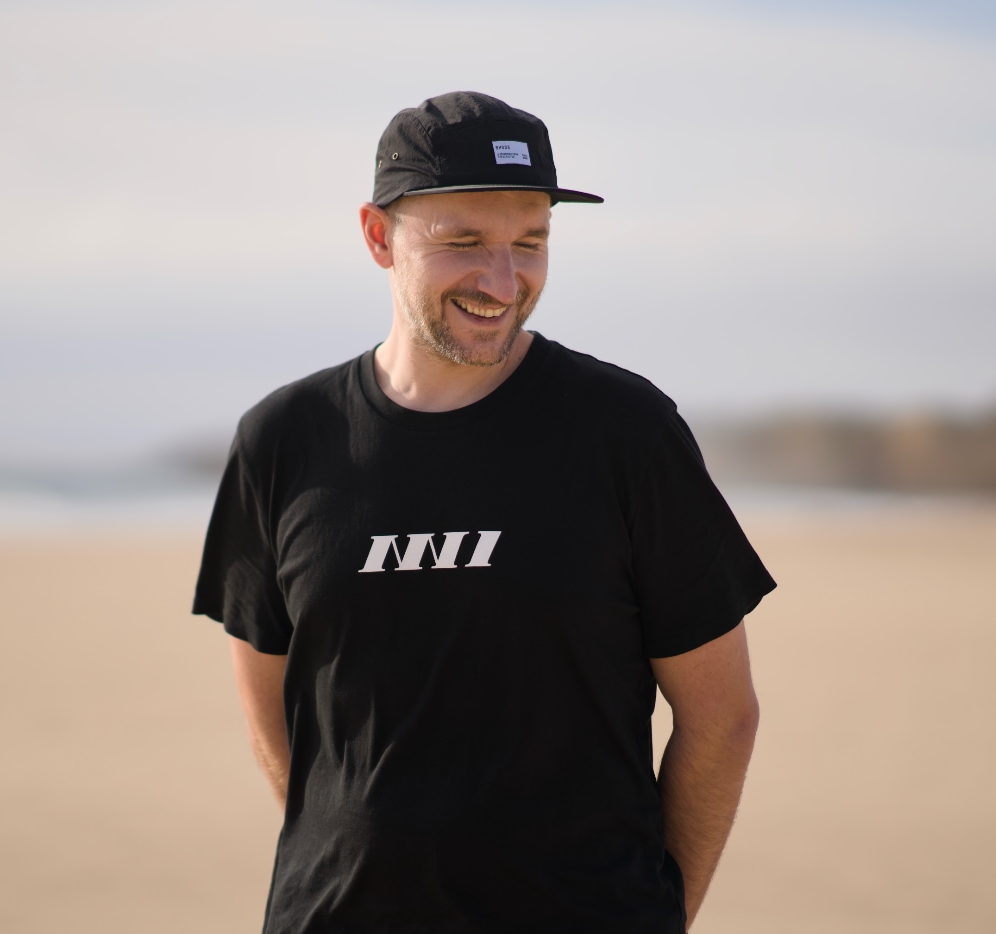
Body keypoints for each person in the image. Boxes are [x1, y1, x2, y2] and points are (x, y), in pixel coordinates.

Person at [194, 91, 776, 933]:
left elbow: (723, 715)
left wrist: (657, 917)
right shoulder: (284, 438)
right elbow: (271, 704)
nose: (504, 281)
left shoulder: (624, 431)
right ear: (376, 236)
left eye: (530, 243)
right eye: (463, 243)